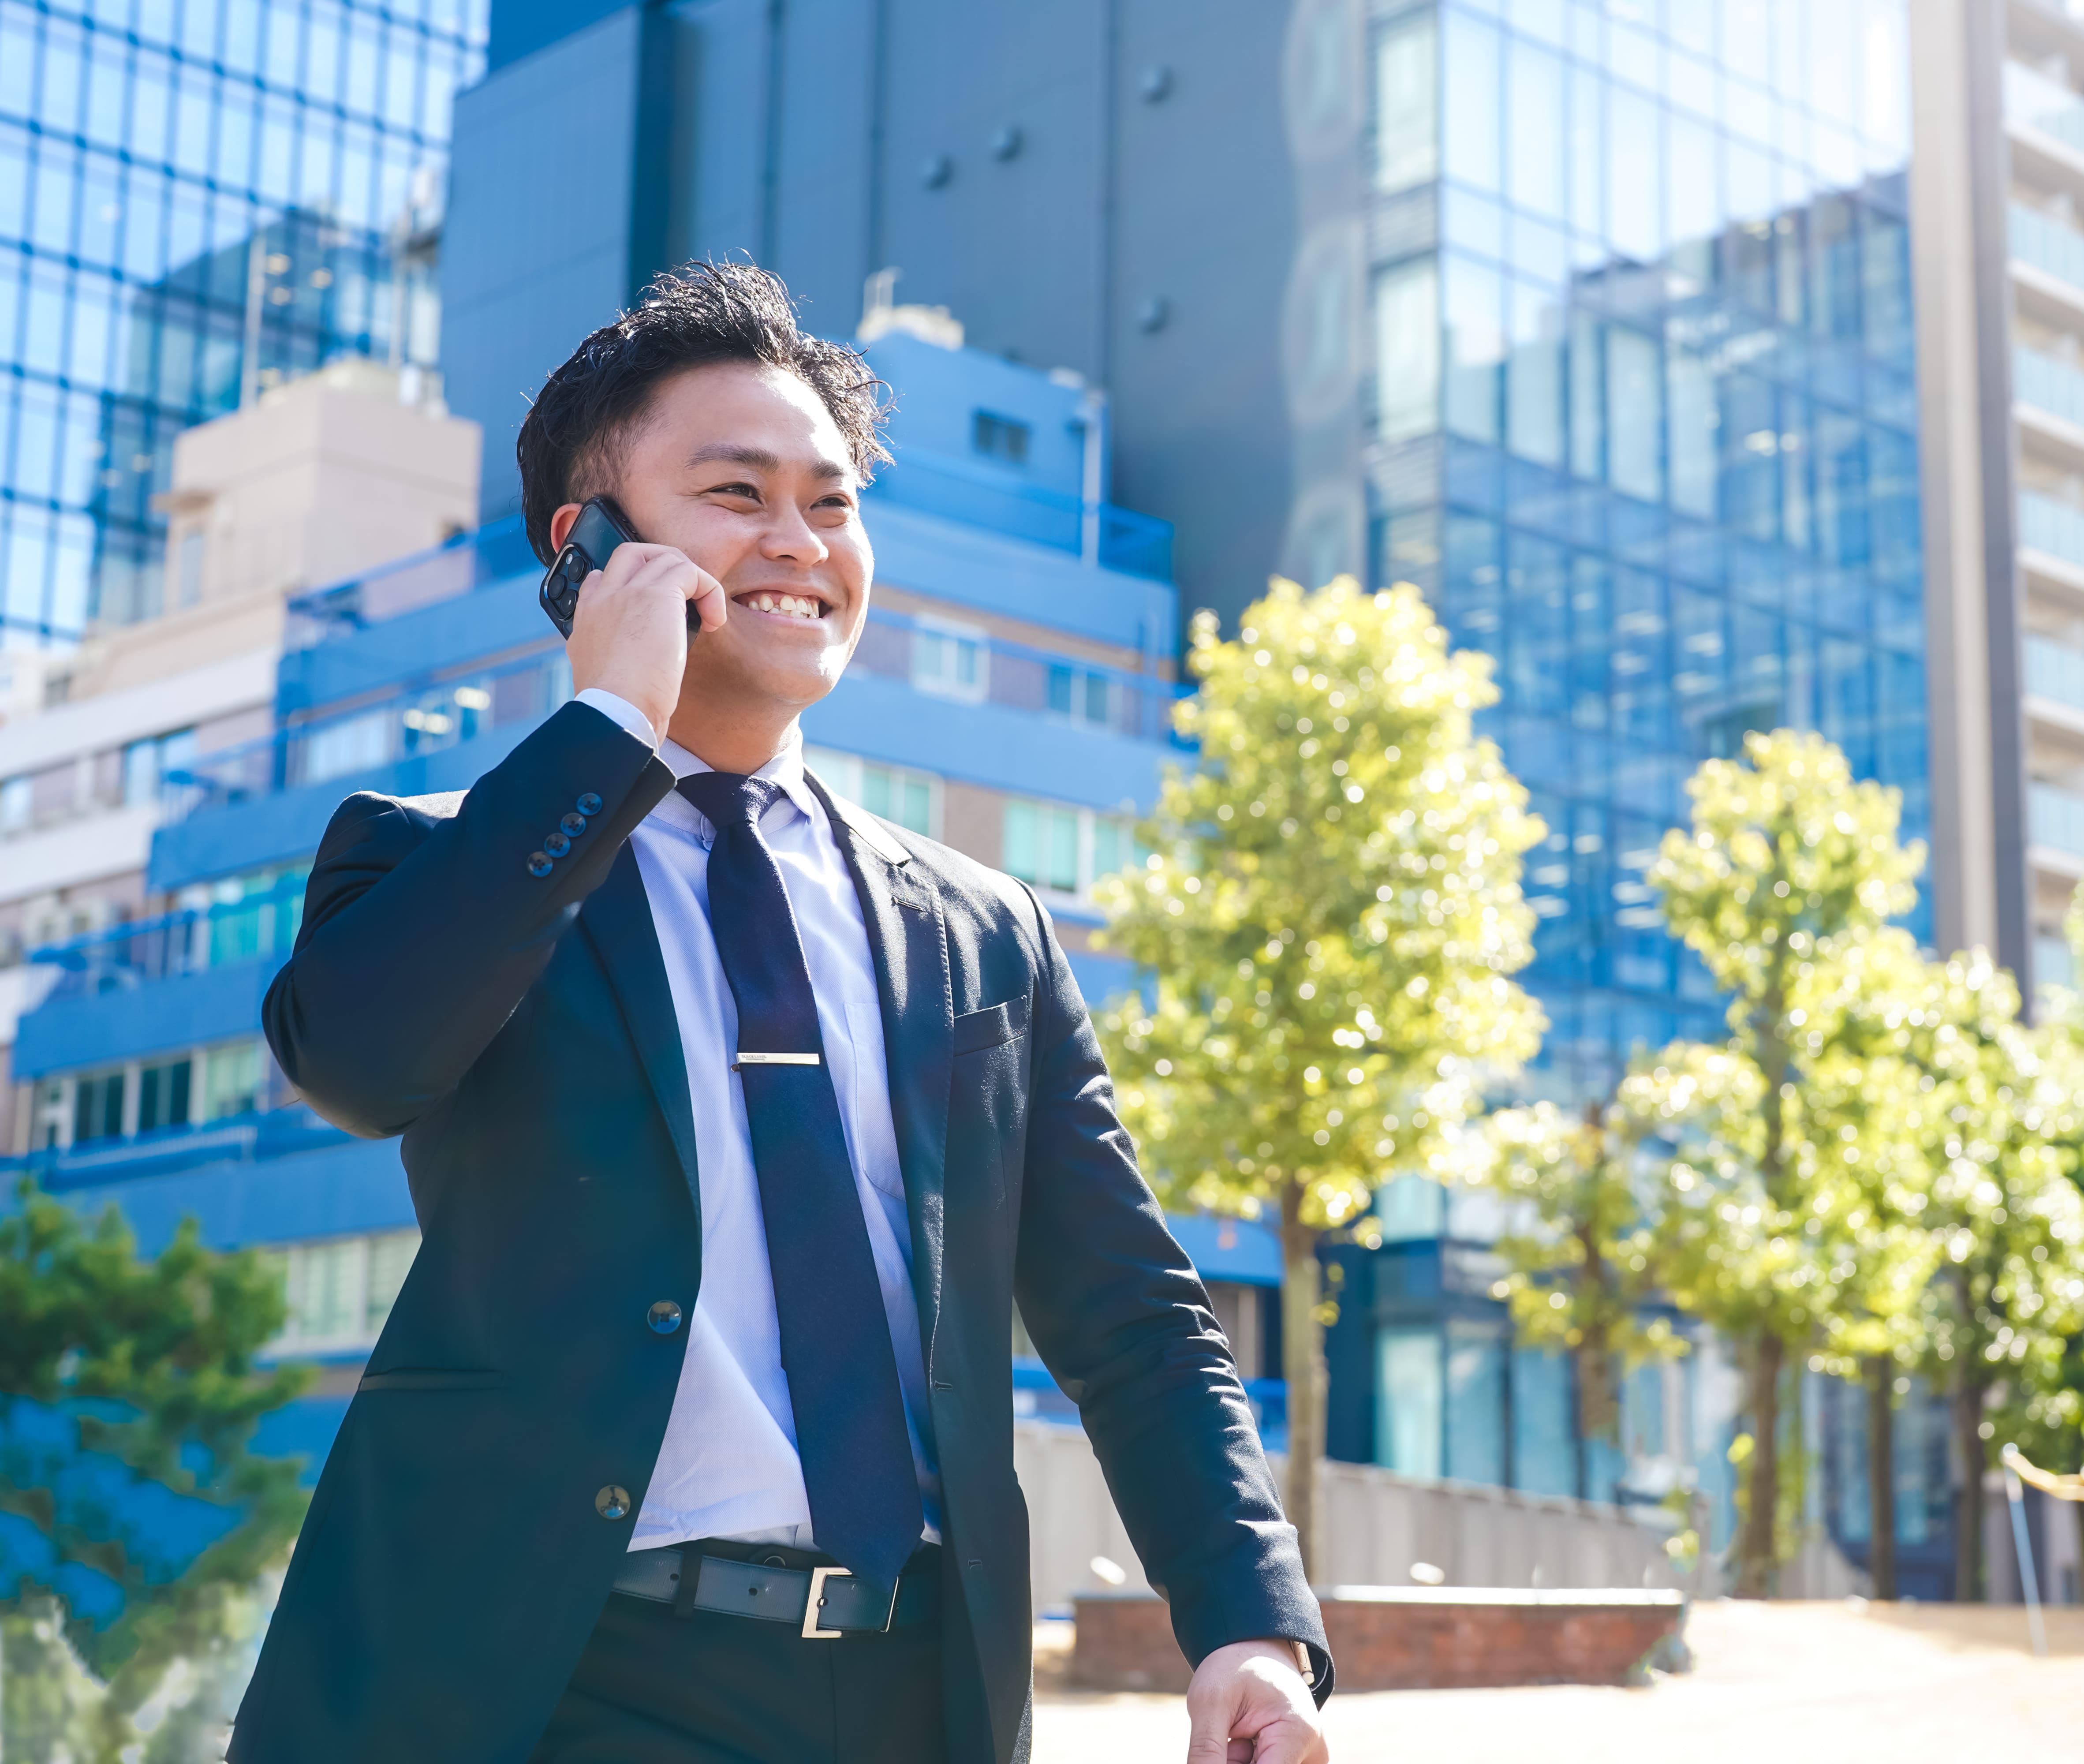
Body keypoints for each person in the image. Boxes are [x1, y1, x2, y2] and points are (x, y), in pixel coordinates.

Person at [227, 263, 1331, 1764]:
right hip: (555, 1685)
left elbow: (1135, 1317)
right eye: (737, 494)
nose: (798, 544)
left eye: (831, 501)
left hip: (912, 1688)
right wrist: (605, 726)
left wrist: (1246, 1628)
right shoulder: (447, 857)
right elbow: (358, 1063)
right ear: (589, 547)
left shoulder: (983, 929)